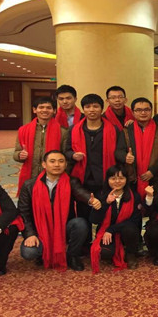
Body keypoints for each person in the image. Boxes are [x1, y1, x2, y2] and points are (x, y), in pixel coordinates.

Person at [19, 150, 101, 272]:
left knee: (80, 224)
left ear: (66, 164)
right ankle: (43, 253)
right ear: (44, 164)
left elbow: (80, 192)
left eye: (61, 161)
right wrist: (30, 234)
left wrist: (91, 200)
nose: (57, 165)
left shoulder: (71, 182)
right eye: (52, 161)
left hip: (63, 228)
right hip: (40, 230)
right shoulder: (29, 185)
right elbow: (23, 212)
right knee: (29, 252)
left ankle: (72, 256)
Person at [65, 93, 119, 225]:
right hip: (82, 179)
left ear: (101, 108)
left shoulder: (114, 130)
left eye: (95, 106)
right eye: (88, 107)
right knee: (84, 215)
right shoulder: (74, 130)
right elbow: (66, 151)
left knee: (105, 214)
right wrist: (72, 155)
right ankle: (85, 237)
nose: (92, 110)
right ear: (83, 109)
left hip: (105, 178)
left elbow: (119, 153)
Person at [115, 97, 158, 198]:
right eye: (138, 110)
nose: (143, 113)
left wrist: (152, 171)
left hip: (156, 176)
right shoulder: (126, 131)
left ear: (151, 111)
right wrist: (125, 157)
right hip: (133, 177)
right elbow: (118, 151)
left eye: (146, 109)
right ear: (133, 112)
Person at [90, 165, 142, 273]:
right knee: (105, 253)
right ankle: (116, 249)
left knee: (130, 228)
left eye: (121, 178)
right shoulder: (101, 195)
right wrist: (106, 203)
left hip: (126, 232)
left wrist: (111, 229)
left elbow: (135, 221)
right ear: (107, 180)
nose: (117, 181)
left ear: (126, 180)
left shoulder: (134, 196)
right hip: (106, 233)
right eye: (113, 178)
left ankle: (130, 253)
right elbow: (94, 220)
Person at [14, 96, 67, 195]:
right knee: (30, 200)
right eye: (41, 107)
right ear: (34, 110)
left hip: (53, 176)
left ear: (54, 111)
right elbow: (16, 152)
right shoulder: (23, 130)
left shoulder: (62, 131)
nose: (45, 110)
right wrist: (19, 155)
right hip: (30, 174)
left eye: (48, 108)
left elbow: (65, 155)